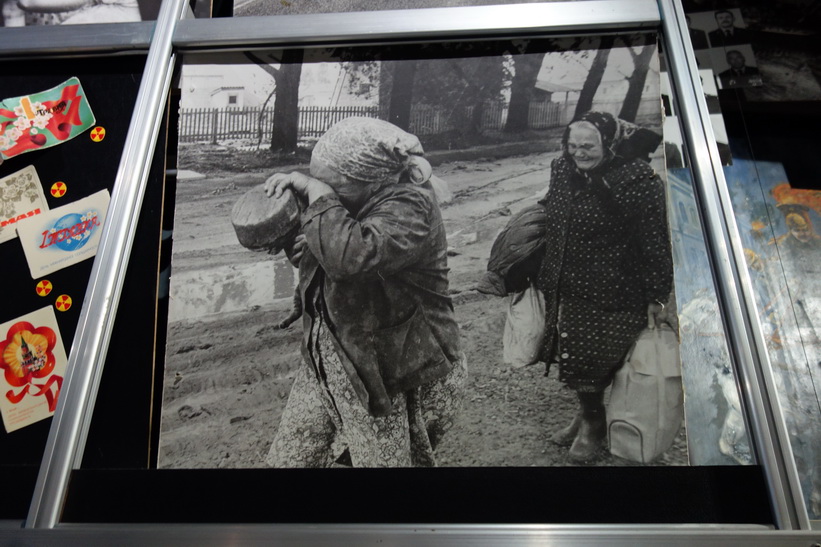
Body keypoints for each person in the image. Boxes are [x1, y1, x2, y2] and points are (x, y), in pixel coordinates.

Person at [263, 117, 466, 468]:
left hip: (389, 369)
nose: (318, 189)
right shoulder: (357, 202)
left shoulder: (411, 206)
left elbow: (351, 258)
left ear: (372, 181)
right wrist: (308, 247)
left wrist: (321, 198)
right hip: (334, 352)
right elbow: (335, 249)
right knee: (292, 453)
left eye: (329, 185)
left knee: (380, 462)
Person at [537, 111, 674, 463]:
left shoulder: (638, 179)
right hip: (567, 281)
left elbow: (654, 240)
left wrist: (657, 294)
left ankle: (594, 424)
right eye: (572, 146)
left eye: (587, 146)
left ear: (609, 143)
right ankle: (588, 414)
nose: (578, 153)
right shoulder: (562, 169)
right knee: (572, 352)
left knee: (599, 357)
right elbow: (553, 211)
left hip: (614, 285)